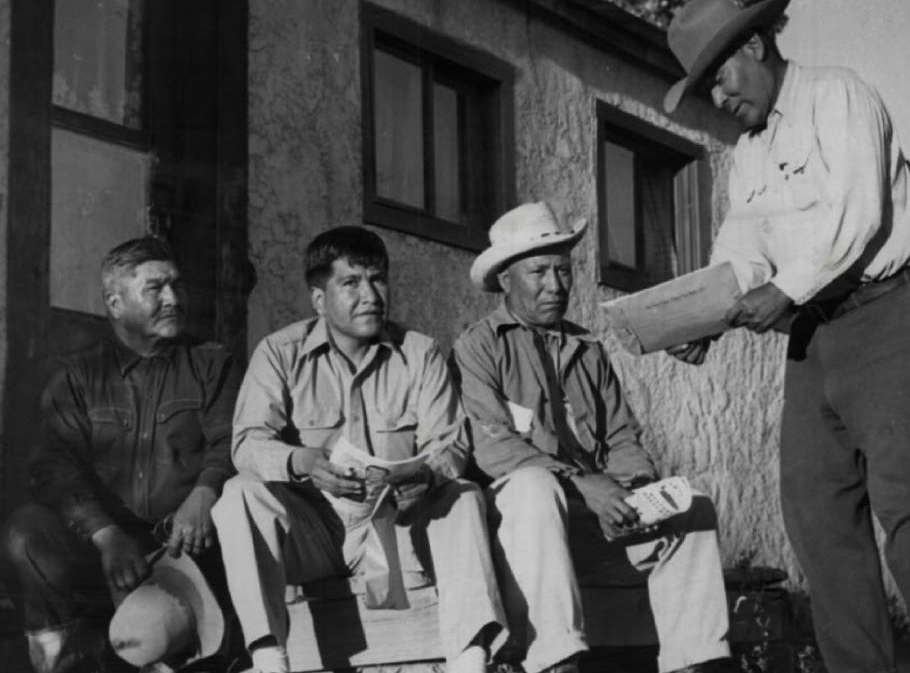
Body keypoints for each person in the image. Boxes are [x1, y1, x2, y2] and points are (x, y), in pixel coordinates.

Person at [662, 0, 910, 673]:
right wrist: (706, 319)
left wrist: (782, 289)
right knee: (816, 512)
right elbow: (739, 251)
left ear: (754, 45)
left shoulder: (838, 96)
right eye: (705, 87)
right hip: (814, 339)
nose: (718, 97)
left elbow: (858, 214)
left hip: (890, 316)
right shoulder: (748, 153)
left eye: (720, 75)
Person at [452, 201, 733, 673]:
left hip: (597, 515)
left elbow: (622, 436)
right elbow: (494, 447)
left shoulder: (588, 350)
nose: (556, 286)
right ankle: (558, 658)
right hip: (527, 526)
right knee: (533, 486)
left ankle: (699, 661)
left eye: (563, 271)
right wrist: (587, 484)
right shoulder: (478, 347)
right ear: (505, 280)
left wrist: (631, 489)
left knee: (693, 504)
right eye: (539, 272)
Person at [212, 225, 506, 673]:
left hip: (395, 529)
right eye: (351, 283)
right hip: (318, 532)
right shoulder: (279, 352)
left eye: (378, 279)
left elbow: (449, 445)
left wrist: (424, 476)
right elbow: (247, 444)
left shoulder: (420, 353)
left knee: (463, 493)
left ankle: (470, 657)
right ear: (318, 298)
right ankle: (270, 657)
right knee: (239, 494)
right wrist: (302, 460)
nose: (370, 294)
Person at [2, 236, 241, 673]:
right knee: (26, 532)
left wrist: (206, 492)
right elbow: (52, 467)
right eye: (155, 288)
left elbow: (233, 442)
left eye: (177, 286)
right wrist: (106, 535)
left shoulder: (212, 364)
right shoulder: (77, 374)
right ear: (115, 303)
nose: (172, 298)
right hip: (102, 548)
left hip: (187, 548)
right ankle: (62, 660)